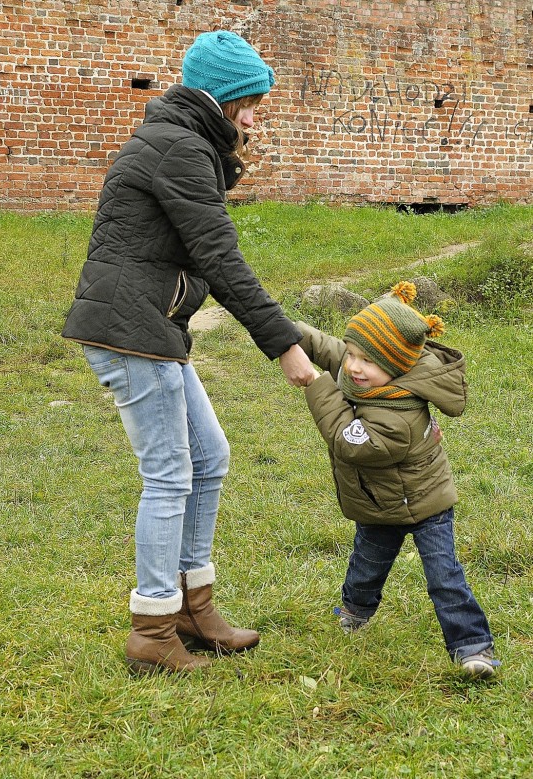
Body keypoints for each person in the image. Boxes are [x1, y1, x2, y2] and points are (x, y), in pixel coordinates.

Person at [62, 30, 314, 674]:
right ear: (220, 98)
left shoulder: (184, 142)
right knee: (171, 472)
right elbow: (220, 259)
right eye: (251, 103)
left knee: (210, 455)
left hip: (150, 323)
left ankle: (192, 607)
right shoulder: (178, 149)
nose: (256, 116)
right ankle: (152, 628)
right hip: (130, 327)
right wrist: (283, 344)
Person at [297, 282, 499, 678]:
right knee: (367, 566)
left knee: (444, 577)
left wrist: (316, 384)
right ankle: (354, 612)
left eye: (365, 361)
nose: (354, 367)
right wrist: (288, 332)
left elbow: (348, 442)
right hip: (379, 504)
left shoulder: (399, 414)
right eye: (352, 354)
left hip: (427, 506)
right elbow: (332, 350)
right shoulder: (372, 372)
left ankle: (473, 646)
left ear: (395, 366)